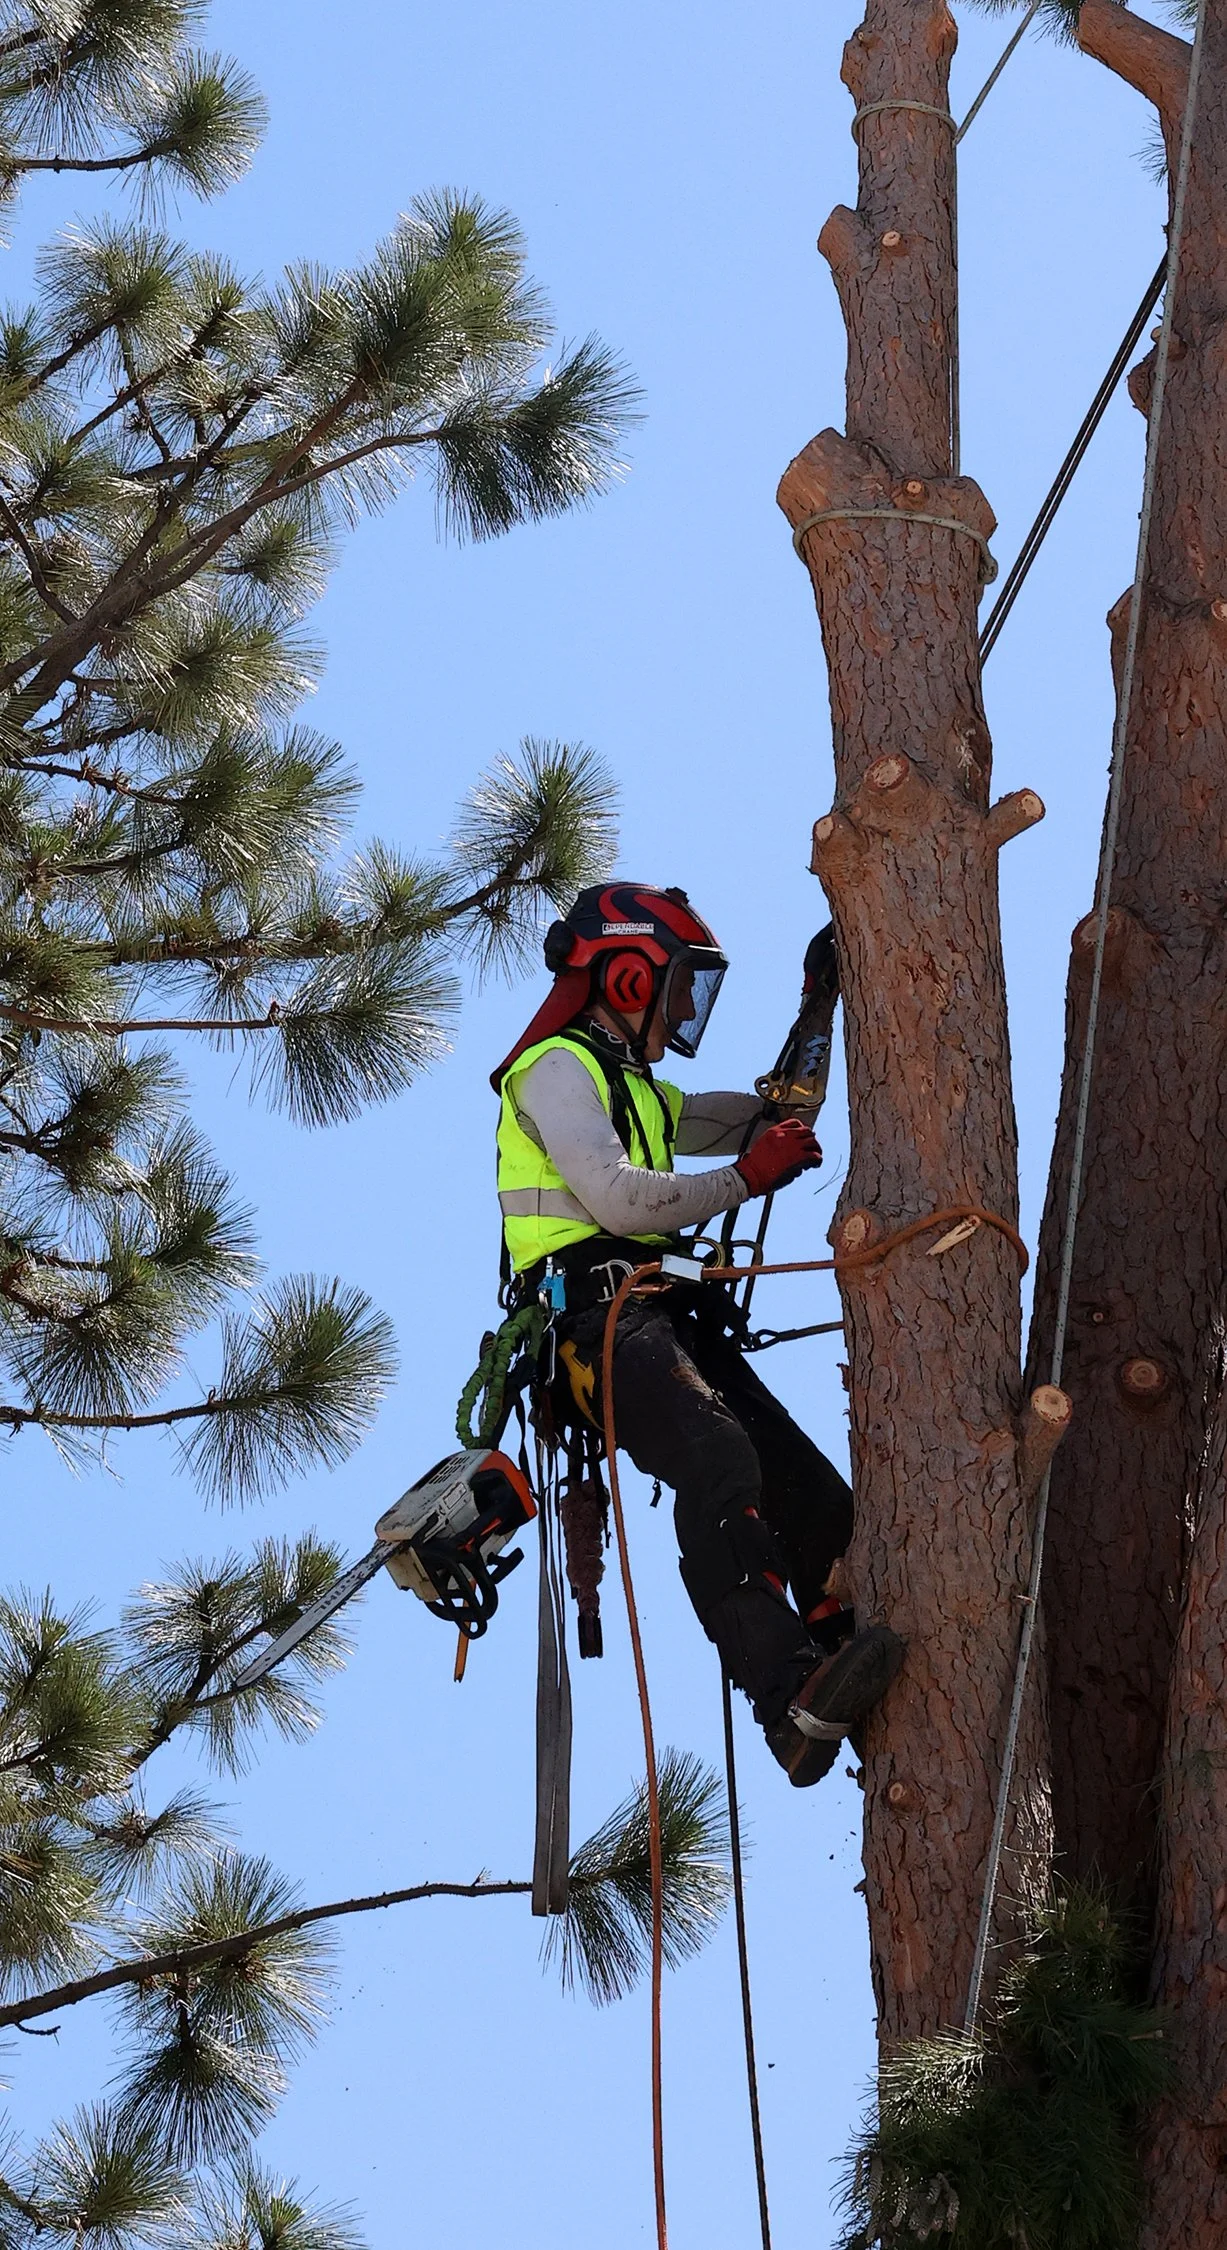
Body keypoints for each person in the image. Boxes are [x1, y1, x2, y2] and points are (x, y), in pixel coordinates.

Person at [492, 882, 902, 1785]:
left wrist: (819, 1003)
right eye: (677, 986)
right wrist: (746, 1180)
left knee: (812, 1494)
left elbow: (770, 1120)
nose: (683, 1007)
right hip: (592, 1323)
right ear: (629, 977)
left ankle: (834, 1641)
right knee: (717, 1457)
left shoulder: (639, 1090)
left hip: (664, 1313)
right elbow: (615, 1196)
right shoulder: (556, 1069)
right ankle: (783, 1695)